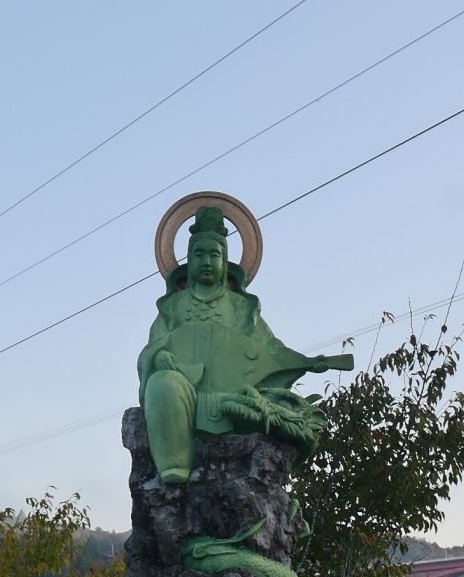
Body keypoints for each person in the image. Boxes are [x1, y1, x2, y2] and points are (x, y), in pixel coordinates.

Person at [137, 205, 352, 484]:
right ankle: (175, 468)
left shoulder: (241, 307)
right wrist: (160, 357)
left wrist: (308, 363)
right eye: (198, 254)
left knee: (261, 405)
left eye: (214, 255)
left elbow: (270, 350)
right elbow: (153, 348)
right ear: (188, 259)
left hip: (236, 393)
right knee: (162, 383)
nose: (206, 261)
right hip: (186, 392)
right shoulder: (173, 307)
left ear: (225, 262)